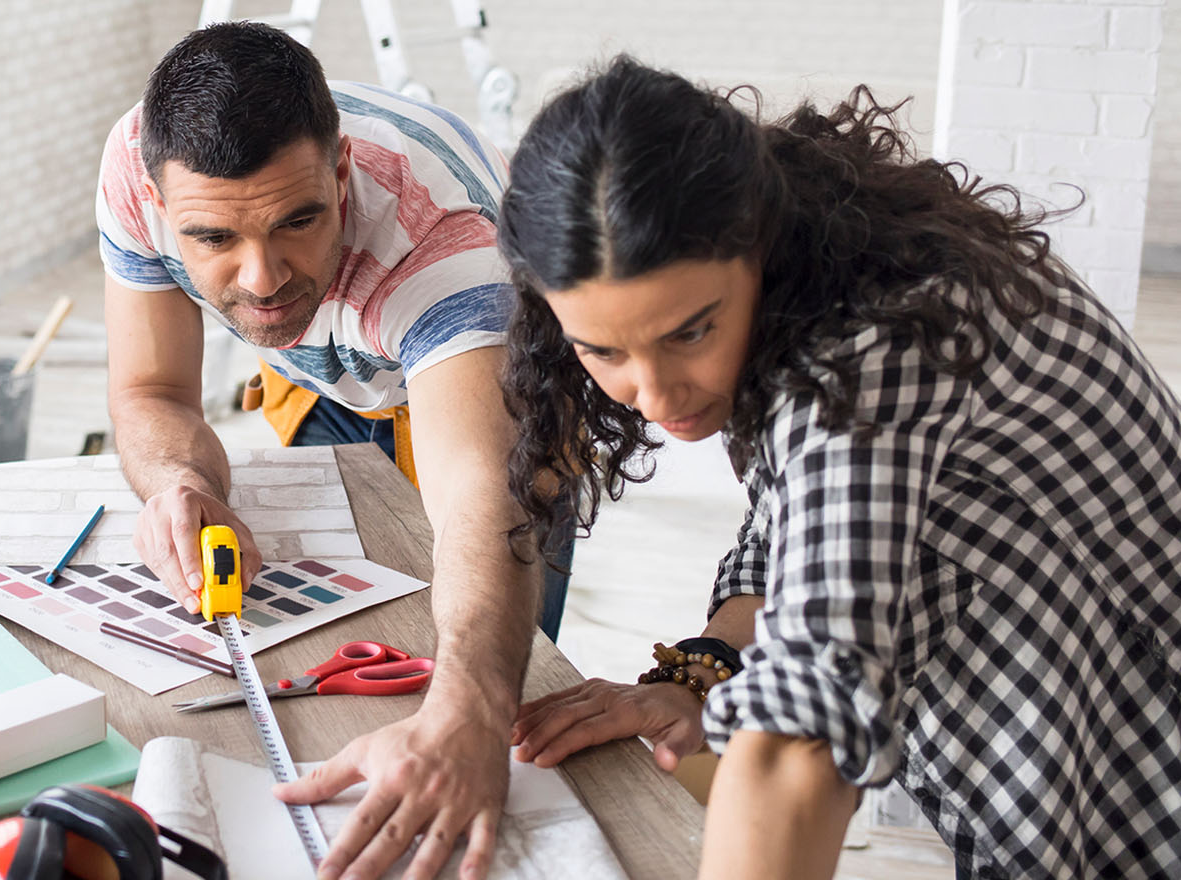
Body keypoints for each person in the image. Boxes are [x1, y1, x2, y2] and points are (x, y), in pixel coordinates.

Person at [496, 56, 1181, 879]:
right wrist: (700, 672)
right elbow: (791, 520)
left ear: (757, 239)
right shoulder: (812, 286)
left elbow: (797, 750)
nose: (653, 393)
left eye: (689, 333)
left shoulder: (874, 347)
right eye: (602, 350)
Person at [97, 23, 556, 880]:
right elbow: (153, 394)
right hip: (326, 371)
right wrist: (180, 482)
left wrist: (473, 715)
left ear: (342, 174)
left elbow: (482, 501)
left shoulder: (445, 242)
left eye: (297, 219)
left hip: (481, 373)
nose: (263, 277)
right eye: (213, 240)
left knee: (494, 700)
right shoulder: (134, 167)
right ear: (159, 205)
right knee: (320, 637)